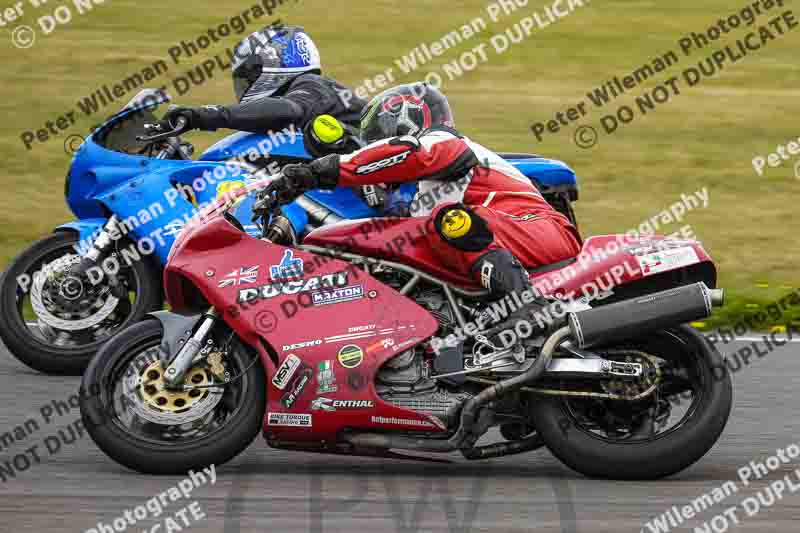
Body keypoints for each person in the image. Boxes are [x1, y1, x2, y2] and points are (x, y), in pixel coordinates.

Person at [264, 82, 582, 303]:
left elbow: (411, 154)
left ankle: (525, 307)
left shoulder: (445, 143)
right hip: (516, 237)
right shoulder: (425, 196)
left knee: (447, 221)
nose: (374, 148)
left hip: (536, 228)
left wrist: (314, 173)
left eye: (377, 139)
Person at [159, 23, 365, 157]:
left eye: (250, 72)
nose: (246, 82)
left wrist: (205, 115)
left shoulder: (312, 85)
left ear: (277, 62)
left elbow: (288, 110)